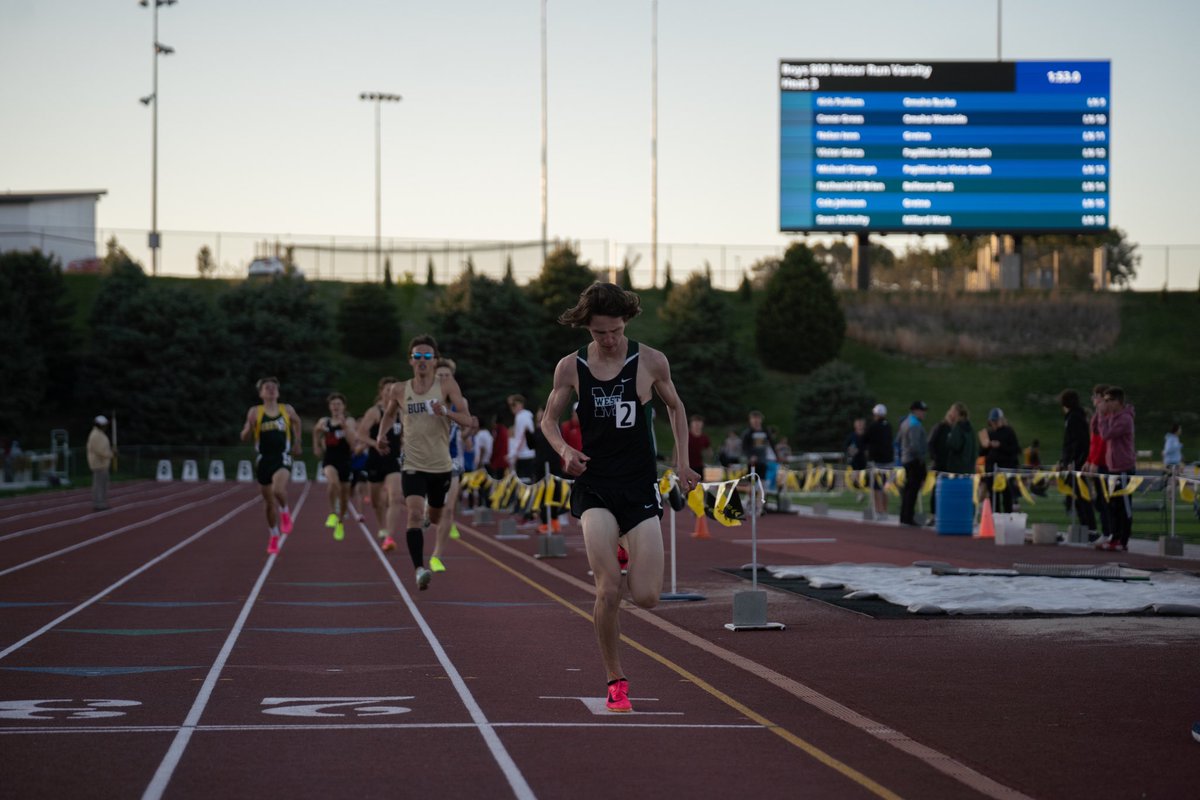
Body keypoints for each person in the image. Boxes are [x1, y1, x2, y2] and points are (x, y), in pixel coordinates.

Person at [538, 282, 700, 713]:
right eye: (598, 333)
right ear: (587, 328)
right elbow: (549, 420)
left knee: (646, 596)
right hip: (594, 486)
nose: (608, 340)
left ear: (626, 321)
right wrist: (564, 449)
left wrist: (682, 463)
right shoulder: (571, 367)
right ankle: (615, 679)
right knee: (608, 589)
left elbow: (676, 408)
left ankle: (626, 549)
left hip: (639, 486)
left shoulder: (650, 361)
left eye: (614, 331)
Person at [376, 335, 474, 590]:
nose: (422, 361)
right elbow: (388, 415)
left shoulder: (446, 385)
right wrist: (381, 435)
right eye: (417, 356)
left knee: (437, 515)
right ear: (410, 360)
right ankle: (420, 569)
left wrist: (447, 412)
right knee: (414, 515)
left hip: (441, 465)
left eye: (427, 357)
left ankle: (432, 512)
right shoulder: (399, 389)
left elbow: (468, 420)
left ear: (435, 360)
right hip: (412, 464)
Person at [239, 377, 302, 555]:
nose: (271, 390)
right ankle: (273, 535)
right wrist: (248, 428)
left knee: (278, 490)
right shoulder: (255, 411)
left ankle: (285, 511)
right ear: (261, 393)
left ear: (278, 392)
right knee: (268, 503)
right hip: (264, 459)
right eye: (267, 388)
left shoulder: (286, 409)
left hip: (282, 457)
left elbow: (297, 421)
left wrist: (297, 441)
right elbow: (244, 437)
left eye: (274, 387)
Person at [429, 357, 477, 572]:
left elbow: (465, 429)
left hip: (452, 459)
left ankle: (436, 556)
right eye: (440, 376)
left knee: (449, 510)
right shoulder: (424, 401)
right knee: (433, 510)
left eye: (447, 376)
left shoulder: (461, 402)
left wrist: (468, 434)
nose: (444, 379)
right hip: (427, 460)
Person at [358, 377, 404, 547]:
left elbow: (405, 435)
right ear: (382, 393)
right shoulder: (374, 412)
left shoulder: (401, 412)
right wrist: (374, 444)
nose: (391, 393)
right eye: (387, 390)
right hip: (376, 460)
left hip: (394, 460)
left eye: (394, 390)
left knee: (396, 497)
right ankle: (382, 526)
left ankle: (389, 537)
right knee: (377, 501)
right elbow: (361, 434)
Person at [312, 393, 356, 542]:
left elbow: (353, 444)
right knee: (333, 482)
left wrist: (345, 428)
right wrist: (317, 446)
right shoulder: (324, 421)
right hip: (329, 459)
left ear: (344, 406)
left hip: (345, 460)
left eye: (338, 404)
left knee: (344, 497)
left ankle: (340, 522)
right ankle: (332, 512)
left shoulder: (349, 421)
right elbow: (316, 432)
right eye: (333, 404)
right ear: (330, 407)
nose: (336, 407)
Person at [1097, 386, 1135, 552]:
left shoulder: (1125, 419)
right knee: (1112, 504)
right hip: (1112, 467)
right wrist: (1099, 414)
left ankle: (1123, 540)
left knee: (1123, 505)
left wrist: (1101, 415)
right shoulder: (1111, 416)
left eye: (1108, 400)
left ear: (1117, 401)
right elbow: (1095, 430)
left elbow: (1106, 434)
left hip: (1124, 468)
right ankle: (1114, 536)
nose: (1105, 404)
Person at [1057, 389, 1095, 535]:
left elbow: (1076, 443)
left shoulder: (1074, 418)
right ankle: (1086, 527)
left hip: (1076, 463)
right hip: (1075, 462)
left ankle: (1089, 527)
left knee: (1081, 496)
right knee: (1078, 496)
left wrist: (1071, 461)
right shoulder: (1074, 417)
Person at [1083, 384, 1112, 544]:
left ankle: (1109, 532)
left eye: (1095, 396)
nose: (1093, 399)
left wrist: (1095, 461)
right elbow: (1093, 441)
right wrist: (1088, 459)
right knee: (1099, 500)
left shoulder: (1105, 416)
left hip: (1104, 464)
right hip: (1096, 462)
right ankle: (1107, 531)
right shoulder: (1097, 416)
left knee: (1104, 499)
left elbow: (1102, 441)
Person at [896, 401, 928, 526]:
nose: (924, 414)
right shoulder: (915, 424)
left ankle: (904, 516)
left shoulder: (905, 422)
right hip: (914, 460)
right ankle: (908, 517)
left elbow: (898, 440)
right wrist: (921, 458)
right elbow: (915, 445)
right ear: (915, 411)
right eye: (922, 411)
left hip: (906, 459)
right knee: (912, 490)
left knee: (908, 489)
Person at [983, 408, 1021, 514]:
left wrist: (1000, 446)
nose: (994, 423)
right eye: (992, 421)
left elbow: (1016, 449)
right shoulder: (989, 433)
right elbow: (982, 453)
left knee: (1007, 496)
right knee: (993, 497)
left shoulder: (1009, 432)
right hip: (991, 469)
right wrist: (985, 445)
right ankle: (995, 518)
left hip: (1005, 469)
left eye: (996, 421)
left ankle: (1007, 519)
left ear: (1001, 420)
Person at [865, 404, 894, 514]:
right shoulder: (888, 426)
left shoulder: (873, 426)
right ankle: (884, 509)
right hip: (889, 460)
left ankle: (878, 509)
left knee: (876, 486)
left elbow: (865, 440)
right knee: (886, 486)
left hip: (877, 461)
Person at [926, 406, 954, 522]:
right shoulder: (940, 427)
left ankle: (945, 513)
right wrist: (935, 458)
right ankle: (933, 514)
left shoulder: (955, 430)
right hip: (939, 465)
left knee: (949, 491)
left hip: (950, 466)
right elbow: (930, 443)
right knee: (937, 490)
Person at [87, 415, 115, 511]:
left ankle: (102, 502)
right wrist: (111, 454)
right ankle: (99, 503)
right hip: (99, 463)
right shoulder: (96, 435)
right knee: (99, 485)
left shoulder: (100, 434)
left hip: (102, 463)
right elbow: (100, 450)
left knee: (103, 484)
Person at [741, 410, 777, 482]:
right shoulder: (748, 433)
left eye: (757, 419)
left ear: (761, 420)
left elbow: (772, 444)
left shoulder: (765, 431)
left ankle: (762, 493)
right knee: (752, 481)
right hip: (752, 461)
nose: (755, 421)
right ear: (750, 420)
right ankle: (751, 492)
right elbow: (744, 447)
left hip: (763, 459)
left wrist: (777, 455)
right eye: (753, 419)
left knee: (762, 479)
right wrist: (750, 456)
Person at [945, 402, 978, 475]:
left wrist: (949, 437)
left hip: (957, 469)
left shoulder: (958, 427)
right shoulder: (970, 428)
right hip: (969, 469)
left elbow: (954, 445)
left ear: (956, 412)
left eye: (951, 410)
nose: (950, 413)